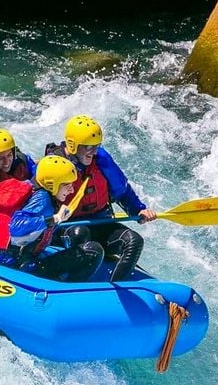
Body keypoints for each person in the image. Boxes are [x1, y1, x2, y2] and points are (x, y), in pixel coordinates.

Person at [44, 115, 156, 282]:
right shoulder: (54, 164)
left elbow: (122, 190)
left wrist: (138, 209)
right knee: (80, 234)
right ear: (74, 145)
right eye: (89, 147)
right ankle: (72, 285)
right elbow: (38, 199)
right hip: (65, 229)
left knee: (134, 241)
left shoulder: (101, 159)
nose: (94, 152)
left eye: (97, 146)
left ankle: (114, 290)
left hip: (100, 222)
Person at [0, 156, 103, 282]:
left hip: (15, 256)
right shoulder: (42, 199)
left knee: (81, 232)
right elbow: (16, 227)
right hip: (22, 264)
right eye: (66, 185)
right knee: (94, 250)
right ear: (51, 184)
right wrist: (53, 219)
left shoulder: (34, 188)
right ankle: (68, 290)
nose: (71, 189)